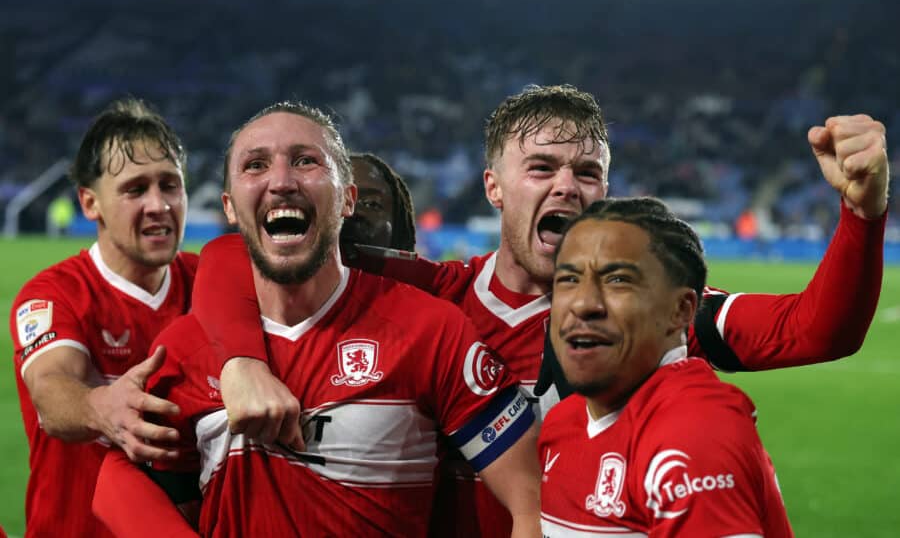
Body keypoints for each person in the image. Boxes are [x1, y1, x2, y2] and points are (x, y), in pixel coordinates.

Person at [189, 85, 889, 536]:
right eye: (543, 168)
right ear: (494, 187)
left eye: (587, 173)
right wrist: (243, 361)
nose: (567, 187)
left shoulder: (644, 319)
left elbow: (816, 329)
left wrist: (861, 214)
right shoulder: (431, 296)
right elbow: (236, 256)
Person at [92, 101, 542, 537]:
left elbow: (532, 502)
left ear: (347, 199)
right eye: (255, 165)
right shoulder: (187, 346)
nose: (281, 180)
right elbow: (129, 481)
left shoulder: (430, 328)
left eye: (306, 161)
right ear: (229, 207)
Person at [539, 197, 793, 536]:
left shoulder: (692, 434)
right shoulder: (562, 421)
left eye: (617, 280)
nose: (583, 303)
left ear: (681, 311)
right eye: (568, 280)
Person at [9, 97, 196, 538]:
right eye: (135, 189)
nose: (159, 204)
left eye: (170, 185)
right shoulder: (54, 295)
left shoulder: (210, 284)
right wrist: (99, 406)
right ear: (90, 204)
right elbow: (50, 388)